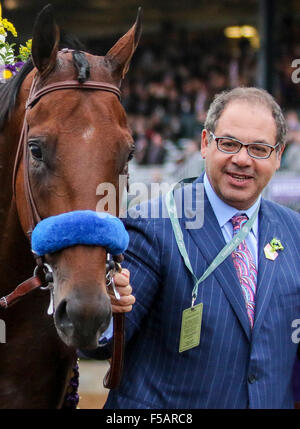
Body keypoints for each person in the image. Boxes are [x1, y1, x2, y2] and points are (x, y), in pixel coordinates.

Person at [89, 87, 300, 409]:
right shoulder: (153, 224)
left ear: (278, 155)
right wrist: (100, 307)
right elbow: (102, 339)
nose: (242, 159)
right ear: (205, 143)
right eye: (229, 144)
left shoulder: (294, 231)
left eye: (259, 148)